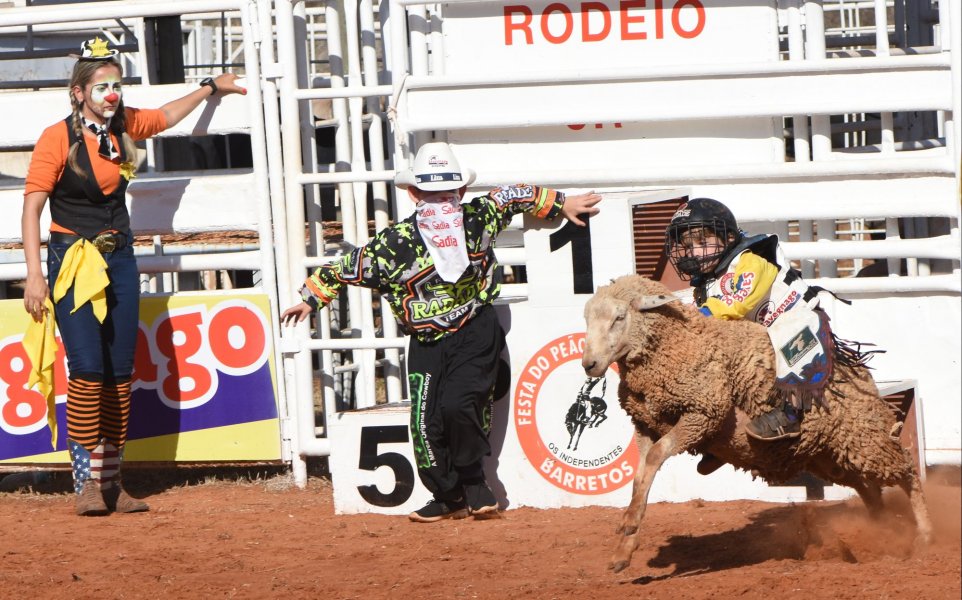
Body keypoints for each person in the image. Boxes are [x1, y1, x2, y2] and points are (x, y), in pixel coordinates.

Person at [282, 141, 602, 522]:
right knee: (423, 422)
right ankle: (447, 496)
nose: (440, 201)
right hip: (425, 340)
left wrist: (560, 203)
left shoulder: (479, 216)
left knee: (459, 404)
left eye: (447, 193)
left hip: (475, 329)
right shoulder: (392, 244)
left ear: (461, 192)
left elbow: (515, 195)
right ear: (414, 194)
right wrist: (310, 298)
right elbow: (343, 268)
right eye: (432, 193)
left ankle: (474, 484)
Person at [21, 37, 246, 516]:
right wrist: (35, 276)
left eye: (116, 84)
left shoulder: (123, 126)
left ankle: (111, 482)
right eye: (102, 86)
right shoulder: (57, 137)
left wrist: (210, 87)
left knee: (120, 373)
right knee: (86, 369)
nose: (112, 94)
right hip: (72, 261)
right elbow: (32, 207)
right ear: (79, 92)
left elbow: (164, 116)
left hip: (119, 258)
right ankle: (85, 484)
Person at [664, 197, 875, 451]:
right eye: (688, 247)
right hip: (763, 336)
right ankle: (725, 438)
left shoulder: (751, 261)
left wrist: (696, 317)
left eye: (702, 242)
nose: (695, 253)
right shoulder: (707, 283)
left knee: (791, 332)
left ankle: (791, 415)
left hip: (798, 320)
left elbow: (735, 305)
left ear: (728, 238)